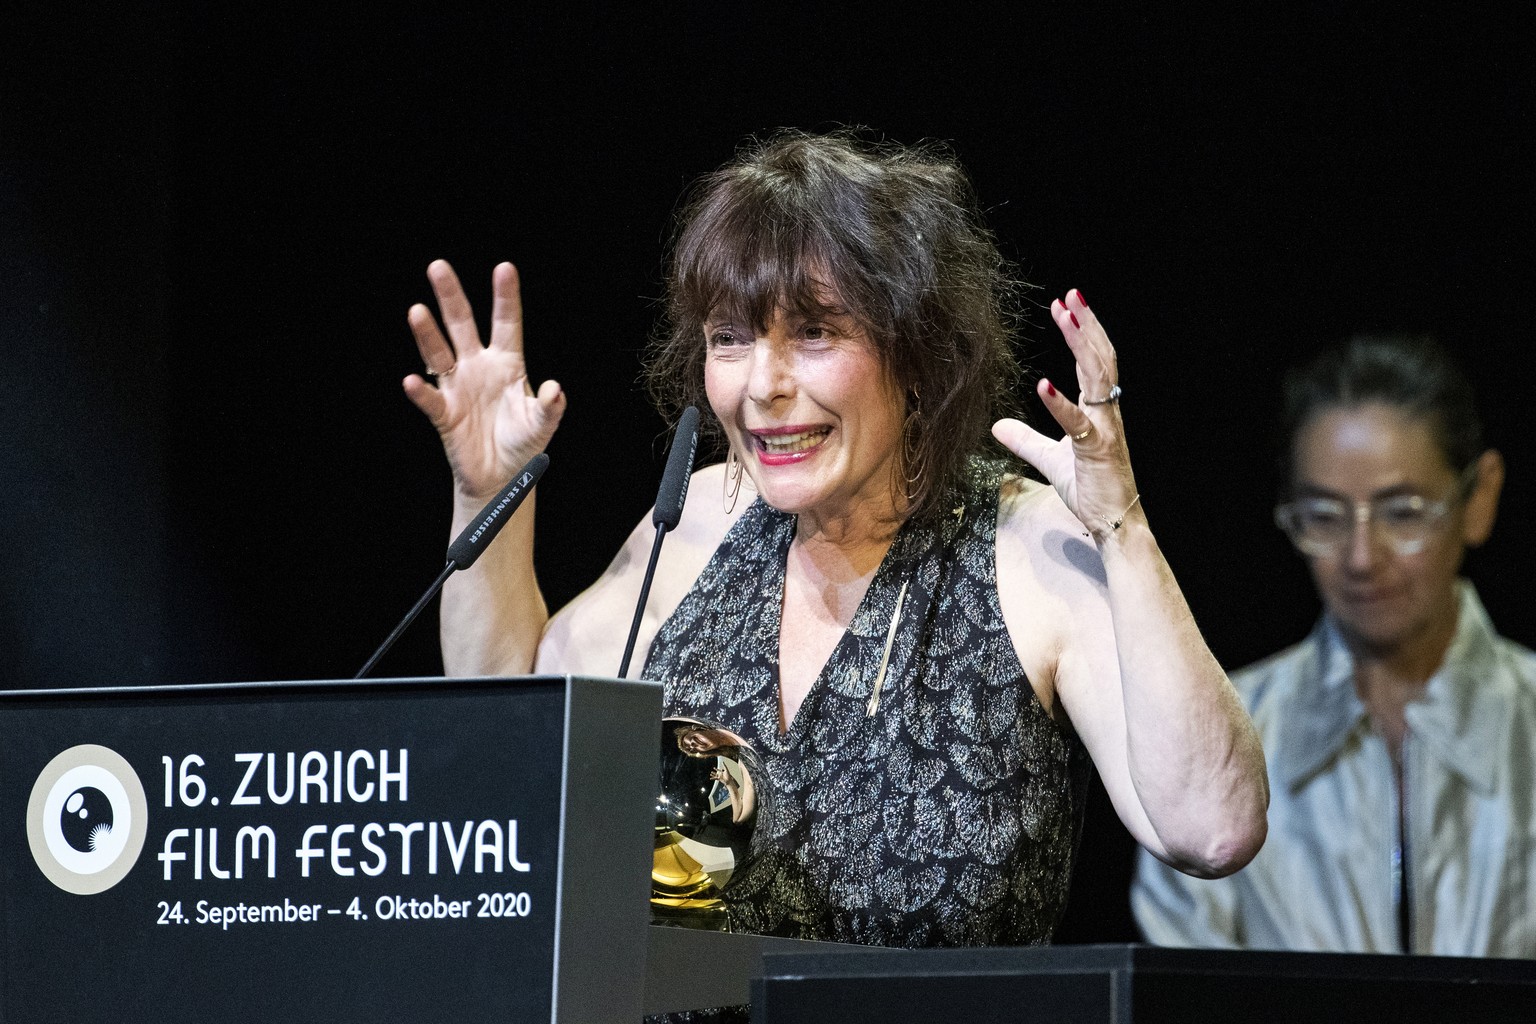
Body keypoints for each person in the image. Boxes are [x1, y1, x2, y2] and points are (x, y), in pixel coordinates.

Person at [402, 132, 1267, 1014]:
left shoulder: (1028, 544)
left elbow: (1212, 828)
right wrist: (487, 494)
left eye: (813, 332)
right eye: (731, 338)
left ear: (917, 349)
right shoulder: (700, 517)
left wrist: (1122, 529)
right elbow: (512, 741)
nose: (762, 385)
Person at [1133, 334, 1536, 957]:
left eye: (1403, 512)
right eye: (1324, 515)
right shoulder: (1221, 738)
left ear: (1478, 499)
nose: (1360, 558)